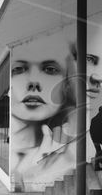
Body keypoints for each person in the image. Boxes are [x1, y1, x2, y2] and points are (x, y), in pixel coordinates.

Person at [10, 32, 76, 192]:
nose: (33, 82)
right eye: (19, 69)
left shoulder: (70, 153)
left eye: (50, 69)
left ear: (67, 84)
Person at [90, 106, 102, 171]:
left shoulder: (93, 119)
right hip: (101, 138)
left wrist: (92, 138)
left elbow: (91, 130)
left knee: (98, 150)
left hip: (94, 138)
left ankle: (97, 165)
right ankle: (99, 157)